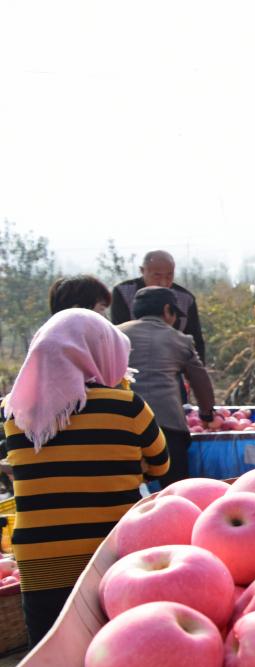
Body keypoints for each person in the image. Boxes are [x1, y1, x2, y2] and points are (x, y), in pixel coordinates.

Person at [2, 310, 169, 646]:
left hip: (40, 564)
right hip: (106, 557)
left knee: (52, 657)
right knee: (115, 652)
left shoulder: (16, 413)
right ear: (103, 351)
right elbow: (161, 466)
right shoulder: (127, 406)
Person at [118, 286, 216, 486]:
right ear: (166, 310)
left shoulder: (115, 334)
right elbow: (200, 381)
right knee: (175, 489)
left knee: (126, 487)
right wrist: (207, 415)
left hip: (121, 423)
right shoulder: (179, 339)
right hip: (166, 426)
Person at [109, 251, 206, 362]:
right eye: (157, 275)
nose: (164, 283)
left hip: (172, 364)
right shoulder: (123, 293)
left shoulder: (186, 299)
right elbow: (118, 335)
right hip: (133, 362)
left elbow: (196, 341)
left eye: (169, 275)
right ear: (142, 271)